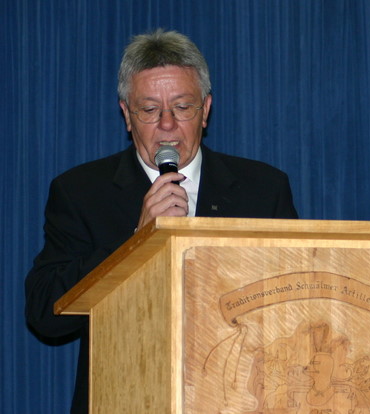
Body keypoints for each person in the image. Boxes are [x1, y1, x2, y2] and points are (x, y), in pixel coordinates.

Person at [25, 29, 298, 413]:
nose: (167, 125)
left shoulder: (263, 188)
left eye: (182, 107)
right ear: (127, 115)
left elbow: (292, 304)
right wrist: (136, 241)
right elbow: (44, 314)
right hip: (125, 398)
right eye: (150, 110)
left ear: (205, 110)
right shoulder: (80, 192)